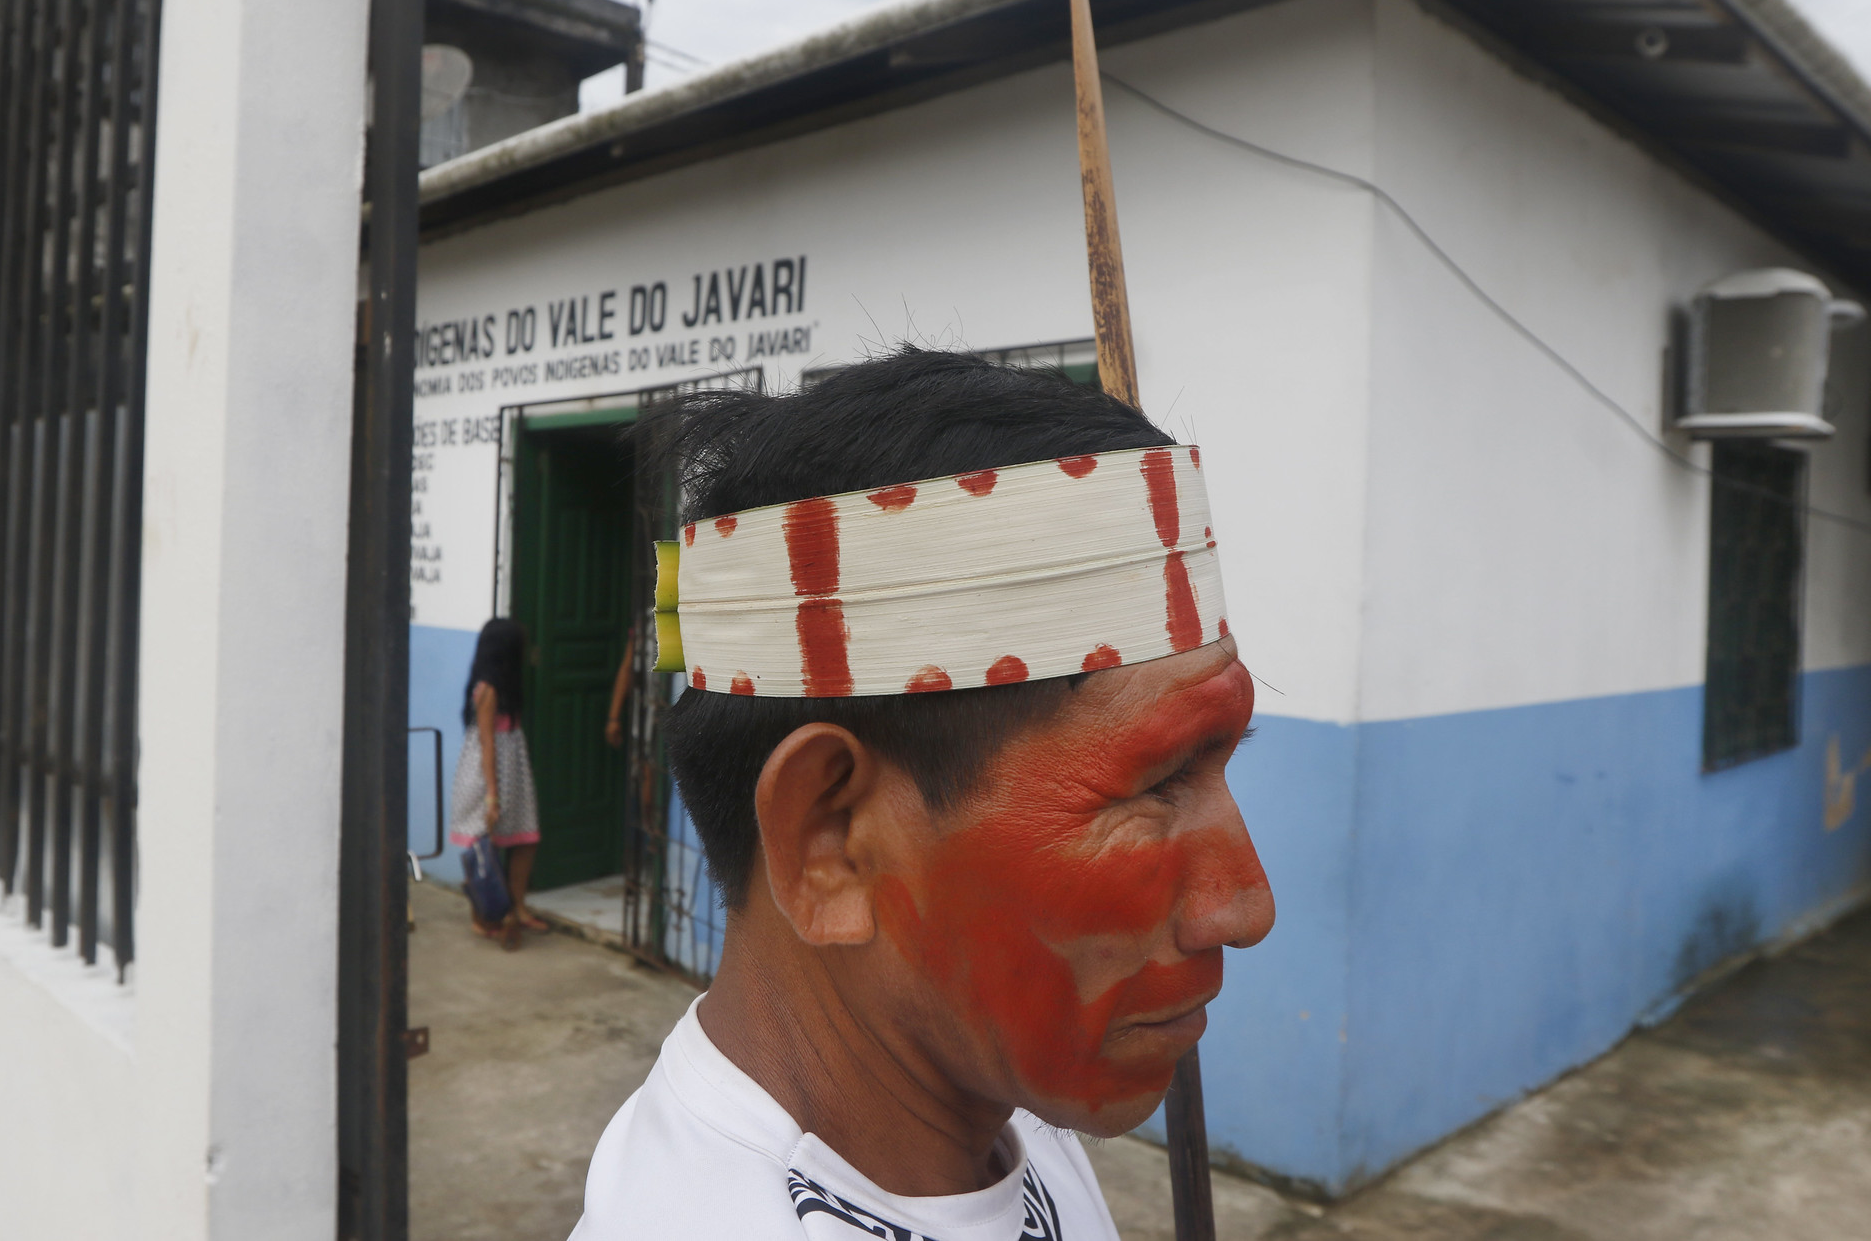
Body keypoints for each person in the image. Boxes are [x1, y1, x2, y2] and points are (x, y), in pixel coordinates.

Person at [570, 348, 1275, 1240]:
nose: (1247, 906)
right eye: (1158, 782)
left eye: (1220, 761)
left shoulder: (1002, 1113)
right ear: (835, 841)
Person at [449, 617, 549, 947]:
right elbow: (487, 744)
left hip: (511, 772)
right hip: (486, 777)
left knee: (526, 839)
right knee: (482, 849)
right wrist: (492, 797)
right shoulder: (488, 689)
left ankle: (516, 908)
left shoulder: (506, 686)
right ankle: (484, 916)